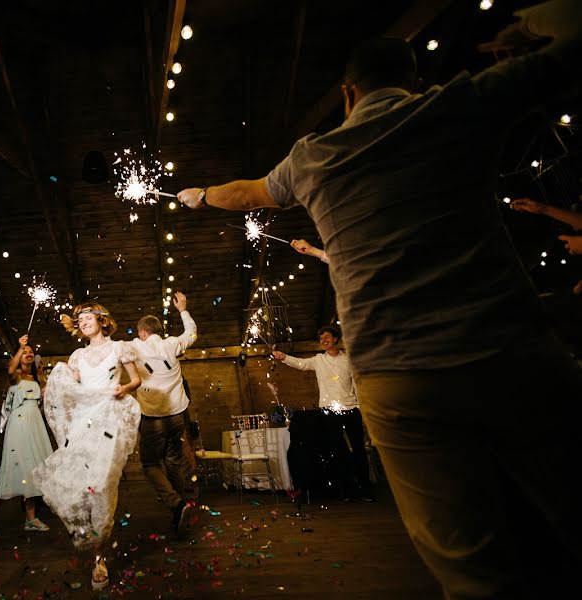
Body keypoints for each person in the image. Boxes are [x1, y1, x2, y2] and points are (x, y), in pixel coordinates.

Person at [176, 1, 582, 596]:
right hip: (506, 351)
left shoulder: (313, 157)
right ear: (414, 81)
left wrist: (200, 195)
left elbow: (248, 193)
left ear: (347, 93)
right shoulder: (459, 106)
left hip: (398, 376)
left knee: (471, 563)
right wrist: (533, 22)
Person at [33, 302, 141, 590]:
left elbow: (137, 380)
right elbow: (73, 389)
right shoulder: (77, 355)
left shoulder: (121, 348)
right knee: (82, 486)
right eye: (79, 319)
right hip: (82, 424)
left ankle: (99, 556)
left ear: (102, 320)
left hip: (109, 420)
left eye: (88, 317)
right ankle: (90, 543)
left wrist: (124, 388)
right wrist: (56, 383)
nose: (83, 322)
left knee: (103, 484)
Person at [271, 325, 372, 501]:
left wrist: (361, 408)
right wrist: (284, 357)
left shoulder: (349, 360)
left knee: (359, 450)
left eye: (326, 337)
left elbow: (357, 385)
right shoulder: (319, 360)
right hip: (329, 412)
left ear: (335, 338)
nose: (323, 341)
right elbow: (301, 364)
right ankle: (345, 491)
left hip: (351, 409)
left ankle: (365, 490)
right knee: (336, 451)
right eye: (321, 339)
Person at [130, 291, 199, 535]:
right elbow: (191, 334)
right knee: (173, 461)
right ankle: (180, 512)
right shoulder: (171, 344)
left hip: (153, 419)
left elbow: (112, 352)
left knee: (149, 463)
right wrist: (183, 309)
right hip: (177, 416)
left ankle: (176, 504)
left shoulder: (135, 346)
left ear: (143, 332)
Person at [0, 334, 53, 542]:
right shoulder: (16, 377)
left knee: (33, 470)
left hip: (35, 424)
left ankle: (30, 519)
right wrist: (19, 347)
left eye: (31, 351)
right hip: (19, 424)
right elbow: (10, 370)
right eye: (25, 352)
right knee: (9, 471)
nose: (29, 353)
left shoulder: (35, 377)